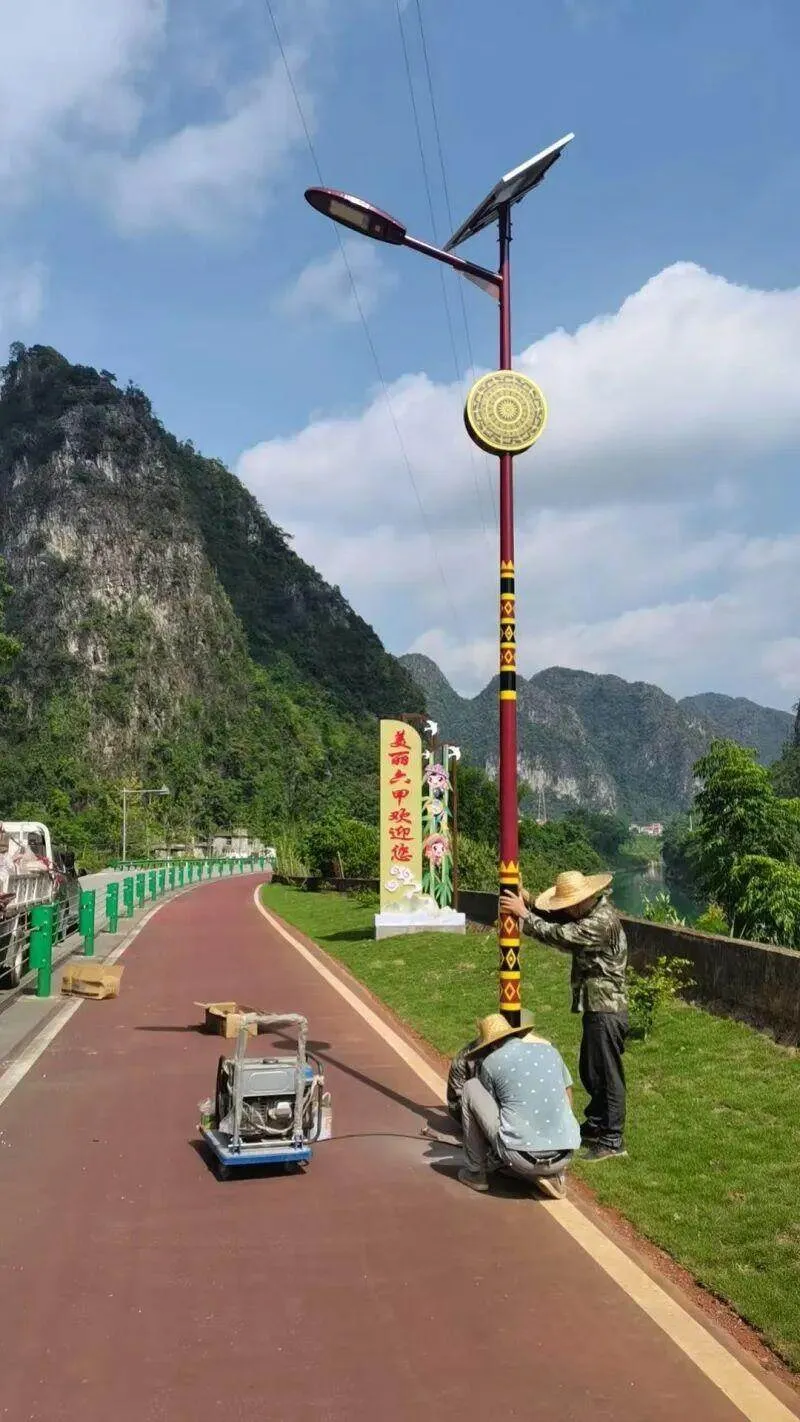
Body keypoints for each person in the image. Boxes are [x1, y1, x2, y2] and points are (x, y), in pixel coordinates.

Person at [500, 869, 629, 1162]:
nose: (566, 909)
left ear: (579, 901)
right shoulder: (591, 912)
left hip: (607, 1008)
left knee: (608, 1075)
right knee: (591, 1069)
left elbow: (561, 934)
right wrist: (529, 900)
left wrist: (524, 915)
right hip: (597, 1005)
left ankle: (612, 1139)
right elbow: (559, 918)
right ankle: (596, 1125)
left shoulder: (599, 922)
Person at [458, 1012, 581, 1200]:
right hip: (565, 1154)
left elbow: (491, 1110)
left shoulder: (491, 1062)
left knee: (470, 1087)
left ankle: (475, 1173)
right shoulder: (550, 1051)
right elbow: (568, 1092)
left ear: (492, 1045)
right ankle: (552, 1174)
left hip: (520, 1156)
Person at [445, 1007, 537, 1129]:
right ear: (493, 1043)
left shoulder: (507, 1053)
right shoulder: (473, 1059)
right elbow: (459, 1100)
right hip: (465, 1106)